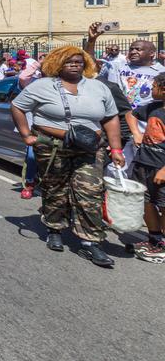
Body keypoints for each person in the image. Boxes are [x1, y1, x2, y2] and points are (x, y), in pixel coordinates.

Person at [10, 46, 124, 268]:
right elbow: (17, 106)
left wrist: (116, 148)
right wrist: (26, 135)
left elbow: (111, 118)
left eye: (79, 61)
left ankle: (91, 242)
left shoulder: (98, 87)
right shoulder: (42, 86)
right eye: (68, 61)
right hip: (52, 147)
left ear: (86, 64)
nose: (74, 64)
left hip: (90, 149)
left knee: (90, 192)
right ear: (58, 63)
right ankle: (54, 227)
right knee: (55, 189)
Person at [86, 22, 163, 169]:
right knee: (115, 165)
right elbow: (89, 65)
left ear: (152, 53)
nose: (133, 51)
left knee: (142, 165)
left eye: (138, 49)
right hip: (118, 121)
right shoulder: (117, 66)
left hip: (143, 125)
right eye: (131, 49)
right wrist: (92, 40)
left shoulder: (160, 72)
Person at [129, 74, 165, 262]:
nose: (151, 89)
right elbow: (131, 114)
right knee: (146, 201)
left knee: (163, 205)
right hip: (144, 164)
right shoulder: (153, 107)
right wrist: (136, 133)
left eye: (154, 86)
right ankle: (154, 239)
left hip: (162, 169)